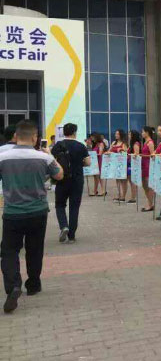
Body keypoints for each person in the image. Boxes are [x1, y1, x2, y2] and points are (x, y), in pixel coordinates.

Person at [0, 120, 63, 313]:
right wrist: (49, 154)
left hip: (12, 213)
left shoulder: (2, 157)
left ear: (16, 136)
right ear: (35, 138)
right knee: (35, 249)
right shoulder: (43, 158)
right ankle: (33, 284)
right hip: (37, 211)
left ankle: (13, 285)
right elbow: (59, 175)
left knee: (9, 251)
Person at [52, 123, 91, 244]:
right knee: (74, 207)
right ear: (74, 132)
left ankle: (64, 226)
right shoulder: (81, 146)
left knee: (60, 205)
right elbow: (88, 162)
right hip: (77, 180)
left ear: (64, 132)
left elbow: (52, 162)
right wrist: (79, 164)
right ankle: (72, 236)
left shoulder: (58, 145)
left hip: (62, 179)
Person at [106, 129, 128, 202]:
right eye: (115, 134)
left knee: (123, 180)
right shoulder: (113, 143)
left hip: (121, 164)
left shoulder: (124, 143)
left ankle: (123, 196)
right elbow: (109, 151)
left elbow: (125, 153)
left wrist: (121, 150)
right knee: (117, 179)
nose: (116, 135)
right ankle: (119, 194)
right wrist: (108, 153)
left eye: (117, 134)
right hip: (114, 164)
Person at [140, 127, 156, 212]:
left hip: (148, 164)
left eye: (143, 132)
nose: (142, 133)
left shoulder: (150, 142)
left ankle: (150, 204)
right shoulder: (145, 142)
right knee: (144, 185)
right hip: (143, 164)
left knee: (148, 185)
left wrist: (142, 155)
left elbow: (152, 155)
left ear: (147, 133)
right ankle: (149, 202)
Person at [126, 130, 141, 204]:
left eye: (130, 134)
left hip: (132, 164)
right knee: (130, 180)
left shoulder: (135, 144)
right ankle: (132, 196)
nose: (129, 136)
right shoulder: (131, 144)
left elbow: (136, 154)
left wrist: (129, 155)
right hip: (129, 163)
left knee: (133, 181)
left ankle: (133, 197)